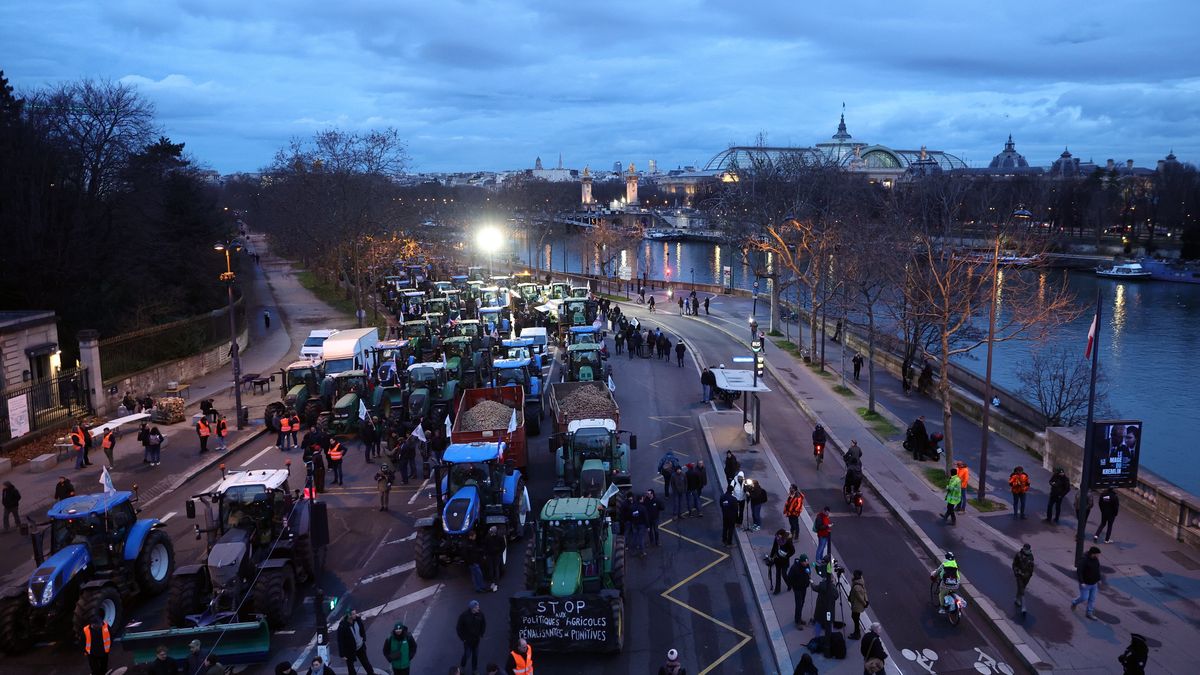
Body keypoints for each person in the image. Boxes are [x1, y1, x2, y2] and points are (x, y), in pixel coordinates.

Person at [337, 608, 374, 675]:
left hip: (360, 646)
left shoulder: (357, 620)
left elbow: (362, 629)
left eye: (355, 613)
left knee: (366, 663)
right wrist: (342, 654)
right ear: (349, 615)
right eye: (353, 614)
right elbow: (340, 640)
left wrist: (363, 638)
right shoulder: (342, 626)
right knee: (351, 667)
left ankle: (371, 673)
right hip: (349, 650)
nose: (355, 615)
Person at [1071, 546, 1103, 620]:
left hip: (1094, 583)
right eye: (1097, 554)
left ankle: (1089, 613)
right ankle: (1074, 602)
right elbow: (1079, 571)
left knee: (1092, 598)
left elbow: (1097, 569)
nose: (1098, 556)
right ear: (1093, 554)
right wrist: (1082, 582)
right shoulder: (1084, 560)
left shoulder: (1096, 559)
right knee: (1084, 597)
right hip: (1086, 583)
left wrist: (1098, 578)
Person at [456, 600, 486, 675]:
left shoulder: (480, 614)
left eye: (478, 606)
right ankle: (462, 667)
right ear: (472, 608)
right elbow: (459, 628)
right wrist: (463, 638)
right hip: (468, 641)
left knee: (475, 655)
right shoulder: (464, 616)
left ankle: (474, 670)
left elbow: (483, 624)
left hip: (476, 640)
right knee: (467, 655)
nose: (478, 608)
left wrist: (481, 633)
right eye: (476, 607)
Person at [810, 572, 837, 642]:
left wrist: (811, 582)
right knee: (829, 620)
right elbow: (836, 596)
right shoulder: (833, 588)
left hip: (821, 607)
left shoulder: (822, 585)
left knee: (819, 620)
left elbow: (814, 588)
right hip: (829, 608)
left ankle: (816, 637)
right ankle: (829, 635)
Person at [786, 554, 811, 627]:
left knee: (802, 603)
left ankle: (799, 618)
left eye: (807, 561)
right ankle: (797, 621)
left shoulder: (806, 565)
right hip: (797, 589)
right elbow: (789, 578)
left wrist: (808, 579)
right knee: (798, 605)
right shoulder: (794, 568)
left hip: (804, 588)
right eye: (805, 562)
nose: (806, 563)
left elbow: (809, 572)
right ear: (801, 562)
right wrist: (794, 585)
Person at [767, 529, 795, 594]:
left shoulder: (788, 541)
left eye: (778, 536)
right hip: (777, 560)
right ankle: (777, 590)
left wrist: (786, 555)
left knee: (784, 574)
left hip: (784, 560)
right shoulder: (777, 539)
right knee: (778, 575)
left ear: (782, 535)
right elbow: (774, 548)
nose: (777, 537)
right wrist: (771, 557)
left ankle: (789, 584)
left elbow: (793, 551)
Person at [1012, 543, 1035, 615]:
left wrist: (1029, 574)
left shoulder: (1031, 556)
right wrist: (1017, 572)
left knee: (1022, 588)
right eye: (1025, 549)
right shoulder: (1018, 555)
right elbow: (1014, 564)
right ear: (1023, 548)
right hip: (1019, 575)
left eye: (1028, 549)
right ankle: (1023, 607)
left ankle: (1017, 598)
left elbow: (1031, 567)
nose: (1026, 550)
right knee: (1021, 589)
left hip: (1027, 576)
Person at [848, 570, 869, 640]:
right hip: (858, 605)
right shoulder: (861, 580)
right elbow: (864, 590)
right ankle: (857, 632)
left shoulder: (856, 587)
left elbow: (859, 598)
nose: (853, 575)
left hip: (856, 605)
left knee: (855, 618)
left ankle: (857, 633)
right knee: (855, 617)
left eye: (854, 574)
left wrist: (865, 603)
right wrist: (866, 600)